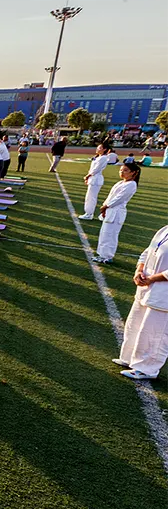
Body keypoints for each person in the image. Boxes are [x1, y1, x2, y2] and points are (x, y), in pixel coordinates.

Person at [115, 224, 168, 380]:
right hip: (147, 287)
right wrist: (139, 270)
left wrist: (152, 278)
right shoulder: (165, 228)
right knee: (135, 324)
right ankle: (129, 358)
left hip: (163, 292)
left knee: (155, 332)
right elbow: (148, 251)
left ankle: (147, 368)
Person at [93, 163, 141, 263]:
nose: (122, 172)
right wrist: (105, 207)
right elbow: (111, 196)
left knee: (110, 235)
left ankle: (107, 256)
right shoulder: (120, 183)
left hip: (117, 212)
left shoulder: (131, 184)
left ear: (133, 173)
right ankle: (102, 254)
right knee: (104, 234)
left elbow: (119, 198)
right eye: (121, 170)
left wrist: (107, 206)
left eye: (125, 170)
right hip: (110, 210)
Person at [81, 143, 112, 220]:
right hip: (93, 179)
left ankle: (89, 213)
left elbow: (96, 169)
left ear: (104, 149)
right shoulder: (99, 157)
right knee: (89, 196)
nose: (97, 149)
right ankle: (88, 213)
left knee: (91, 197)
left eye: (100, 148)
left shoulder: (103, 158)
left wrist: (88, 176)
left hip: (96, 179)